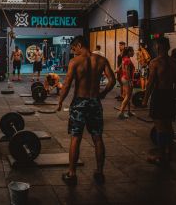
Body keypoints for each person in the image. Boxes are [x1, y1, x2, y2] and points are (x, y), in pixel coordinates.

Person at [56, 35, 116, 186]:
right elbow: (112, 80)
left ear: (79, 45)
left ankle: (72, 174)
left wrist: (60, 101)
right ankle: (99, 173)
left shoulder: (75, 62)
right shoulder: (101, 60)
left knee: (76, 137)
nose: (73, 51)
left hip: (80, 103)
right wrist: (102, 94)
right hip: (95, 102)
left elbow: (68, 84)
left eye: (74, 48)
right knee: (97, 137)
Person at [142, 37, 176, 165]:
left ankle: (161, 156)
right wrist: (174, 96)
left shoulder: (155, 62)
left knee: (160, 127)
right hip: (170, 95)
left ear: (157, 47)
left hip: (159, 95)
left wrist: (145, 99)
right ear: (168, 47)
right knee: (169, 126)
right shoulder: (175, 63)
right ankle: (169, 153)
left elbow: (150, 83)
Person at [117, 46, 135, 119]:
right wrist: (130, 80)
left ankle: (128, 111)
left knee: (128, 96)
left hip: (124, 78)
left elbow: (121, 67)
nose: (133, 52)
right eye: (132, 51)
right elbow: (127, 71)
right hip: (127, 79)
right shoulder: (127, 60)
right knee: (127, 96)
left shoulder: (125, 59)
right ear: (129, 52)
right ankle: (121, 113)